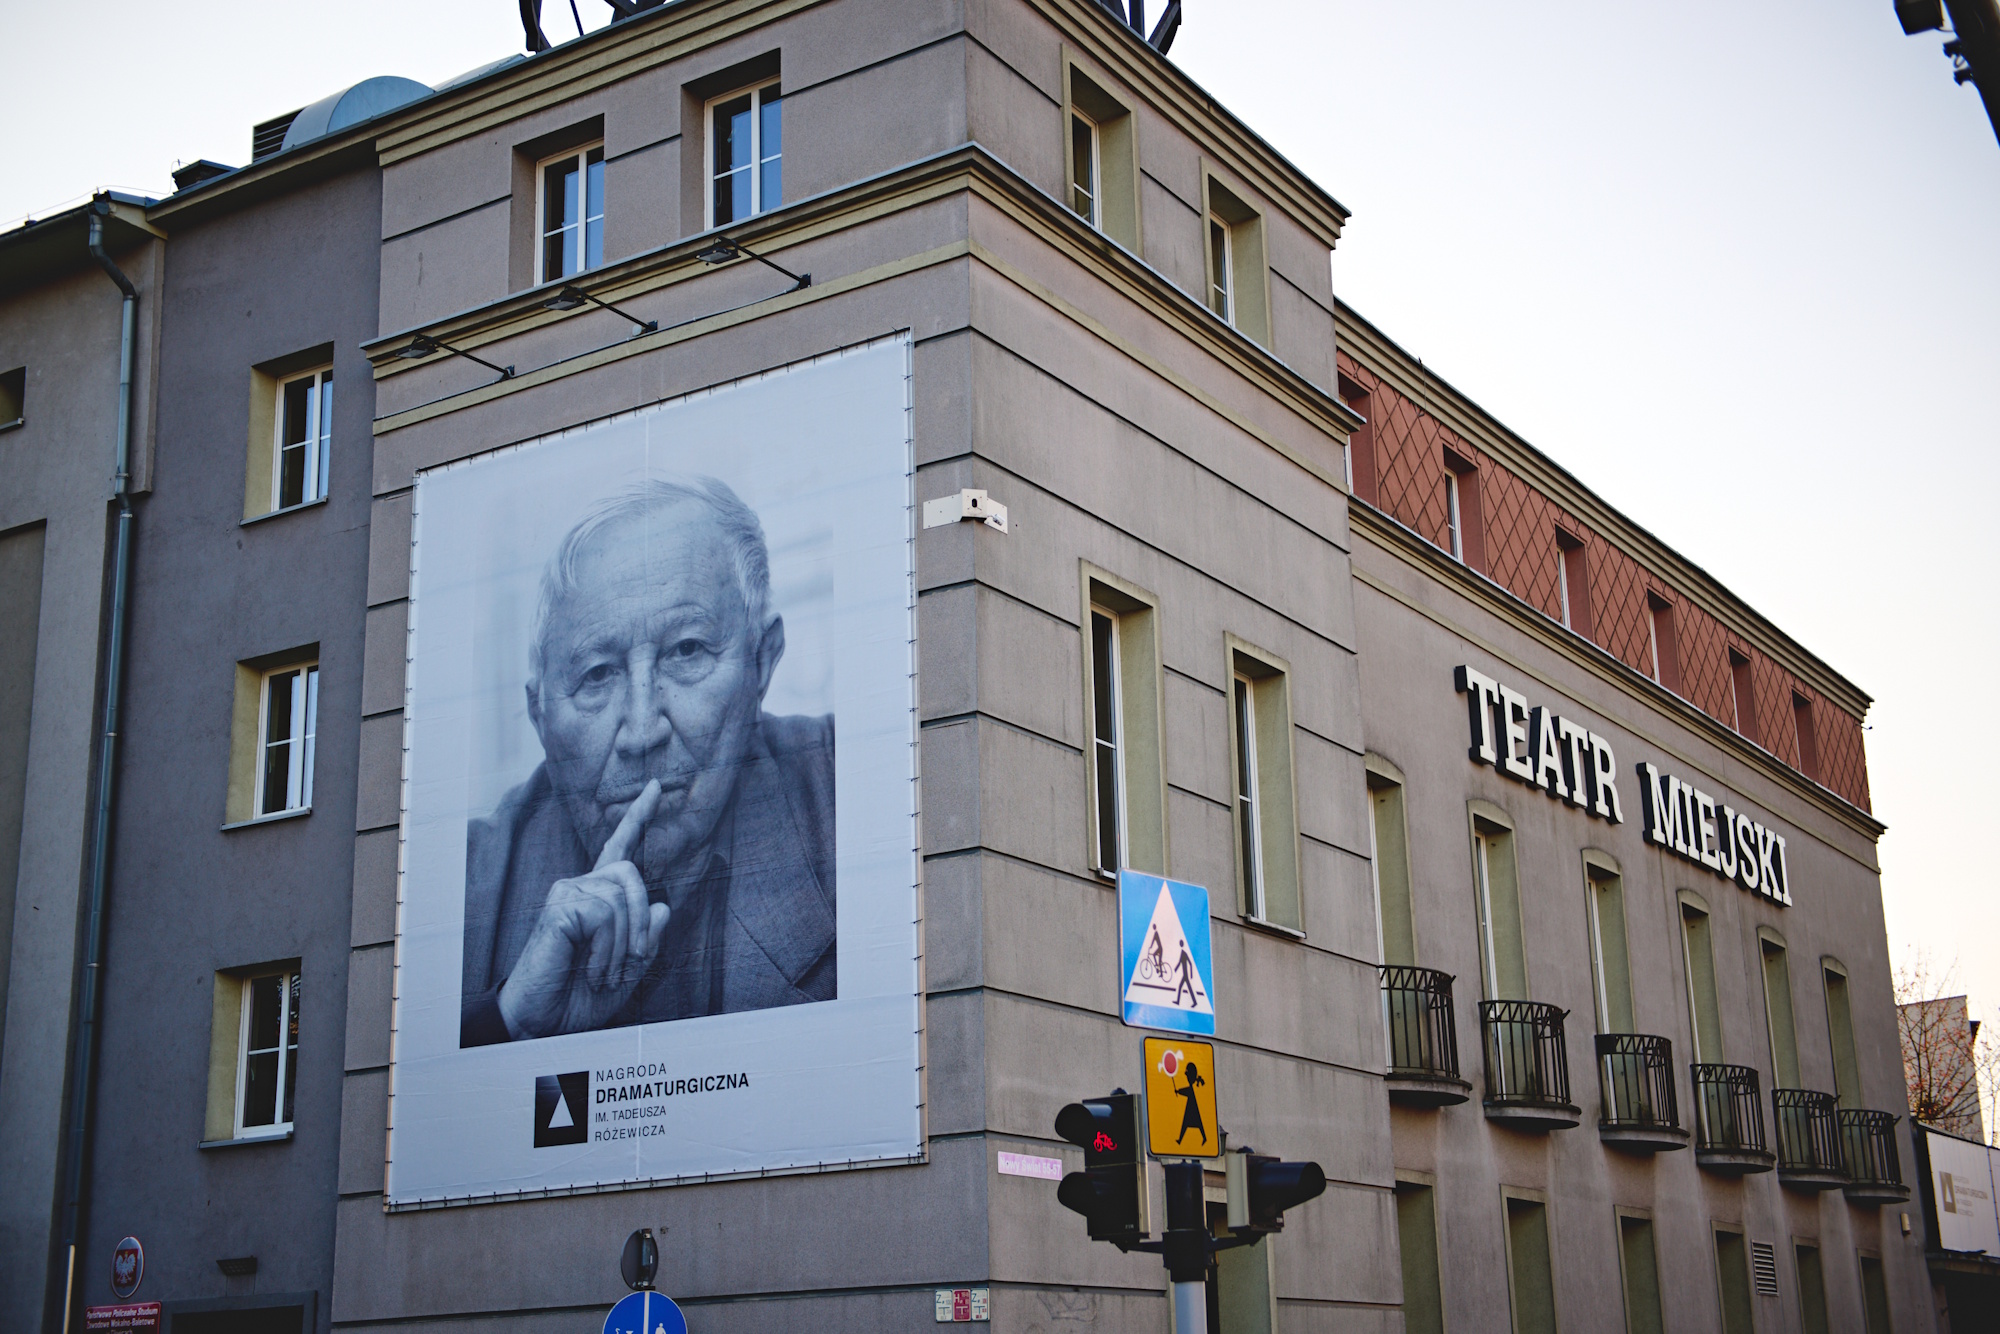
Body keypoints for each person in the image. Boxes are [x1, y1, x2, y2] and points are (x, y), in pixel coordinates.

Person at [459, 477, 835, 1046]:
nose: (641, 731)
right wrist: (509, 1021)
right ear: (539, 714)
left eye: (686, 650)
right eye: (596, 675)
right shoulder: (462, 890)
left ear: (762, 661)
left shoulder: (855, 792)